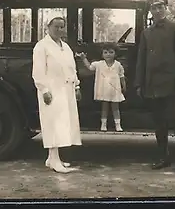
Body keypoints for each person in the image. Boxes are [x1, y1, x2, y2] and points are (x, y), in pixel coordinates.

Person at [134, 0, 175, 174]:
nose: (157, 11)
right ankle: (163, 157)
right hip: (153, 86)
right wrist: (139, 84)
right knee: (160, 125)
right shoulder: (147, 33)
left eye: (160, 7)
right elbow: (141, 60)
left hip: (173, 85)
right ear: (150, 11)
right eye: (154, 8)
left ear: (166, 8)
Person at [31, 15, 82, 173]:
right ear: (48, 27)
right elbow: (38, 71)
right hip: (51, 89)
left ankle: (51, 158)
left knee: (63, 124)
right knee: (52, 124)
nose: (59, 30)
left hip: (66, 89)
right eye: (56, 27)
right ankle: (54, 160)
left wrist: (76, 87)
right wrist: (44, 90)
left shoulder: (65, 46)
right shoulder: (41, 46)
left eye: (62, 27)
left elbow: (71, 68)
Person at [76, 42, 126, 132]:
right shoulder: (99, 64)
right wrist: (84, 59)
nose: (108, 55)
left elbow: (121, 75)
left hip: (114, 90)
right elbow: (90, 67)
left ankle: (118, 125)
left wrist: (123, 85)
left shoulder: (118, 65)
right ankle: (103, 124)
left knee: (115, 108)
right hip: (104, 89)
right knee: (105, 107)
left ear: (115, 54)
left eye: (111, 52)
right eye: (105, 52)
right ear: (102, 54)